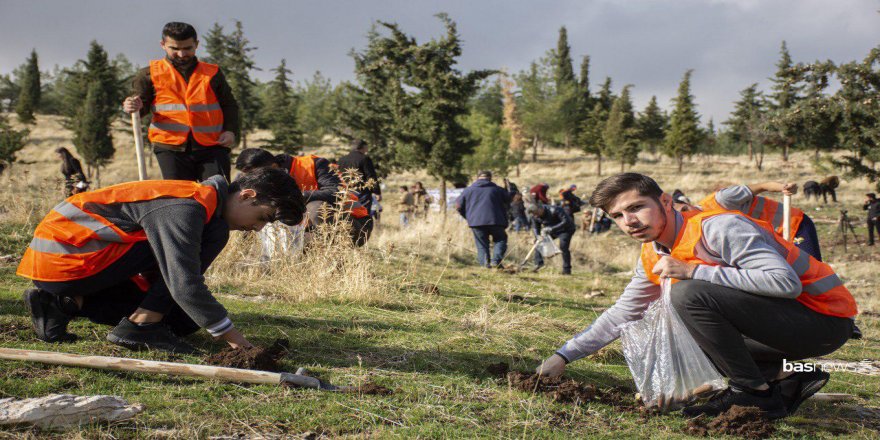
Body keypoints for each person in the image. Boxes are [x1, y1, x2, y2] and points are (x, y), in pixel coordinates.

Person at [536, 173, 857, 419]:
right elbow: (623, 313)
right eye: (618, 216)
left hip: (822, 321)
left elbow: (785, 283)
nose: (629, 221)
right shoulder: (651, 253)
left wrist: (693, 272)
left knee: (687, 294)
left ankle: (753, 393)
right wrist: (564, 355)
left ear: (664, 202)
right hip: (781, 328)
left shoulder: (719, 228)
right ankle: (786, 379)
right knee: (677, 334)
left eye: (636, 207)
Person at [17, 168, 305, 354]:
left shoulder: (199, 204)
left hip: (80, 265)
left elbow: (174, 285)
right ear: (247, 195)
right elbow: (183, 283)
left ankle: (62, 303)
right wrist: (237, 341)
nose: (256, 229)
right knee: (204, 245)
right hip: (66, 259)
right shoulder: (186, 206)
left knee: (182, 321)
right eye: (262, 219)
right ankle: (142, 325)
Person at [123, 22, 238, 181]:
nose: (182, 54)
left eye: (187, 48)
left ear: (196, 45)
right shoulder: (148, 74)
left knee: (216, 195)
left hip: (212, 146)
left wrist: (230, 130)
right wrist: (132, 106)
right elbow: (139, 106)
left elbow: (229, 104)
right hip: (170, 149)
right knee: (181, 200)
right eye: (175, 49)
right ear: (163, 45)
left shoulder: (213, 73)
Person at [235, 148, 372, 246]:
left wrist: (297, 196)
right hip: (306, 234)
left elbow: (336, 191)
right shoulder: (267, 178)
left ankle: (336, 262)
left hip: (356, 226)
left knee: (316, 207)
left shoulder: (315, 165)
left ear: (274, 166)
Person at [679, 181, 823, 261]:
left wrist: (784, 188)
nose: (687, 217)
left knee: (812, 271)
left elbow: (763, 185)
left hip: (794, 225)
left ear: (687, 204)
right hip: (774, 240)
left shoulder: (722, 200)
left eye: (685, 210)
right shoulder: (699, 228)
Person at [456, 171, 511, 268]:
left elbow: (459, 206)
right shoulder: (498, 190)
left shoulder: (467, 190)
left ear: (477, 178)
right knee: (501, 239)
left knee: (482, 244)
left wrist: (468, 217)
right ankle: (496, 261)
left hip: (476, 222)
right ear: (490, 178)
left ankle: (485, 265)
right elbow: (509, 200)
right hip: (496, 221)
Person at [525, 199, 576, 274]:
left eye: (536, 213)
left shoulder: (555, 209)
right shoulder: (534, 216)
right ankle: (538, 264)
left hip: (566, 229)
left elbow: (566, 221)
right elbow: (535, 227)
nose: (536, 216)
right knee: (538, 243)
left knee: (563, 246)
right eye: (534, 215)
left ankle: (566, 269)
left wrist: (552, 228)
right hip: (550, 230)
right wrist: (537, 236)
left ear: (540, 209)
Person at [337, 139, 381, 219]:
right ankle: (363, 230)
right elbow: (370, 176)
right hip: (362, 191)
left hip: (346, 191)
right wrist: (376, 191)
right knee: (363, 214)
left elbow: (338, 175)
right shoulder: (365, 159)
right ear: (363, 147)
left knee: (347, 215)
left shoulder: (342, 159)